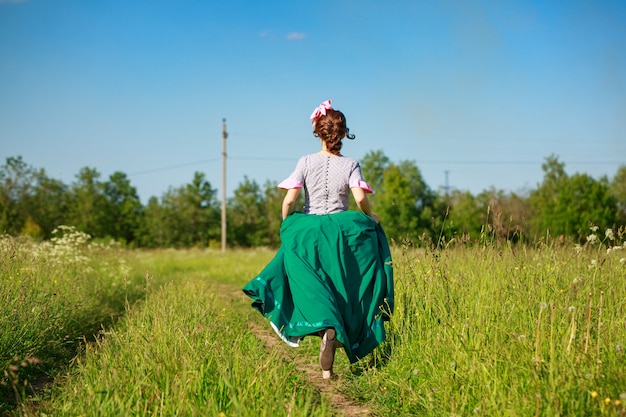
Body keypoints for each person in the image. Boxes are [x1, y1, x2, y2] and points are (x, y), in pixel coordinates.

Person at [243, 99, 394, 379]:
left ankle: (326, 333)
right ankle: (334, 353)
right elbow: (359, 197)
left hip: (308, 230)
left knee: (311, 284)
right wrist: (371, 217)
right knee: (342, 287)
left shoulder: (305, 161)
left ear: (318, 131)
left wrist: (288, 222)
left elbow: (289, 200)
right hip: (340, 230)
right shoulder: (351, 164)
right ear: (343, 133)